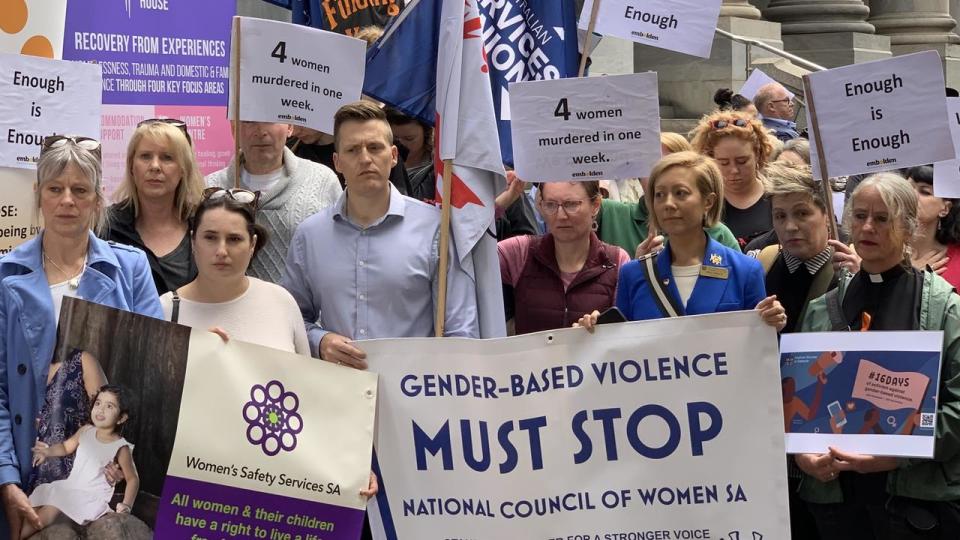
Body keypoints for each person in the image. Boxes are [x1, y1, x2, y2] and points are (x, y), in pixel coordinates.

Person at [0, 135, 161, 537]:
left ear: (96, 198)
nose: (67, 200)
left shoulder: (131, 268)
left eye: (80, 190)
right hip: (26, 465)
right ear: (38, 195)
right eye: (55, 189)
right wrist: (6, 479)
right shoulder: (5, 276)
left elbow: (152, 369)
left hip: (97, 469)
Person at [796, 172, 960, 539]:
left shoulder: (943, 308)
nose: (867, 226)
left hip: (912, 505)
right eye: (859, 215)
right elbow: (798, 397)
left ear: (908, 227)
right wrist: (803, 456)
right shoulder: (823, 309)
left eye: (882, 218)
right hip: (838, 504)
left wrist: (899, 455)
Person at [282, 101, 479, 369]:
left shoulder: (435, 229)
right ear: (337, 162)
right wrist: (320, 341)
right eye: (353, 150)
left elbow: (460, 330)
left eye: (375, 147)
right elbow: (290, 320)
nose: (365, 158)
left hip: (416, 397)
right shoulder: (310, 236)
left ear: (394, 155)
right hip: (341, 397)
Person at [577, 152, 785, 330]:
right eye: (659, 195)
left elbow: (758, 355)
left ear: (708, 201)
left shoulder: (745, 270)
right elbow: (621, 350)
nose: (668, 204)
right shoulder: (634, 273)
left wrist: (770, 323)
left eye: (680, 193)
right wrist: (597, 331)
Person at [160, 187, 309, 355]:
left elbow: (305, 378)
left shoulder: (282, 302)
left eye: (234, 239)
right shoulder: (164, 310)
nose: (222, 251)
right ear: (193, 242)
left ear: (252, 244)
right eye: (210, 237)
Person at [206, 121, 342, 283]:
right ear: (234, 129)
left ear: (290, 127)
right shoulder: (211, 188)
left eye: (270, 120)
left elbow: (341, 254)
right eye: (249, 122)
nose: (261, 131)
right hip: (228, 304)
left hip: (302, 307)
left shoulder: (322, 181)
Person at [498, 181, 630, 334]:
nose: (561, 215)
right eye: (551, 205)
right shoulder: (521, 252)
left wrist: (603, 329)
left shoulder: (616, 261)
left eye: (571, 204)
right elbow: (469, 258)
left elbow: (626, 335)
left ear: (595, 205)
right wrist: (500, 204)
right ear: (541, 206)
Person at [23, 385, 138, 538]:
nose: (100, 409)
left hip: (90, 496)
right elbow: (65, 447)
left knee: (51, 508)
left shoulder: (120, 447)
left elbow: (132, 479)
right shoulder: (86, 431)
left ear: (121, 418)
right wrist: (47, 451)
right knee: (36, 500)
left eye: (109, 406)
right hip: (70, 486)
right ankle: (18, 534)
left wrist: (126, 505)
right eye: (98, 403)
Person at [105, 119, 204, 295]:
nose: (155, 166)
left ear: (183, 169)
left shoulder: (204, 226)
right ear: (131, 166)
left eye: (167, 158)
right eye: (145, 156)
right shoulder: (105, 227)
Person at [690, 110, 775, 250]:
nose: (734, 170)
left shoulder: (776, 196)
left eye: (742, 161)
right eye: (723, 163)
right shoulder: (702, 204)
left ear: (758, 155)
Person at [28, 349, 106, 491]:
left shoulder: (80, 362)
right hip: (18, 476)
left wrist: (112, 459)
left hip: (72, 480)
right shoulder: (14, 369)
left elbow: (108, 420)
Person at [905, 165, 960, 287]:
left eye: (925, 192)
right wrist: (905, 278)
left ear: (945, 208)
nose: (911, 195)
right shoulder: (879, 249)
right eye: (907, 189)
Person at [385, 107, 433, 179]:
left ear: (426, 133)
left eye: (409, 138)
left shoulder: (436, 165)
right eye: (394, 138)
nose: (401, 144)